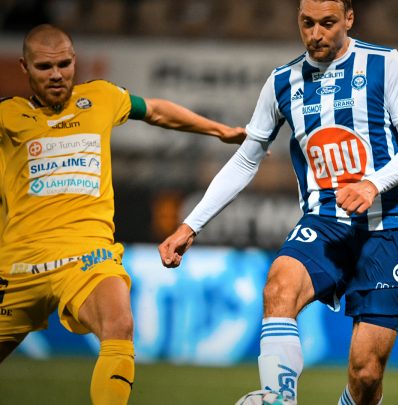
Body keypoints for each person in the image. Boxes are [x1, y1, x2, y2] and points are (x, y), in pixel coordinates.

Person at [158, 0, 398, 404]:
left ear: (349, 19)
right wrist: (190, 225)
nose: (316, 34)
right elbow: (246, 159)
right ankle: (279, 398)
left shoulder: (384, 64)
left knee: (366, 374)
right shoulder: (282, 81)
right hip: (325, 221)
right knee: (279, 286)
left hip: (390, 224)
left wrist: (371, 185)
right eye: (307, 23)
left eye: (327, 23)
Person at [0, 24, 246, 405]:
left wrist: (219, 131)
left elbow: (157, 111)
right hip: (17, 265)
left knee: (120, 324)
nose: (56, 75)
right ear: (24, 67)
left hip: (88, 259)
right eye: (45, 67)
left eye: (64, 64)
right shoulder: (7, 116)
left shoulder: (100, 97)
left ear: (75, 62)